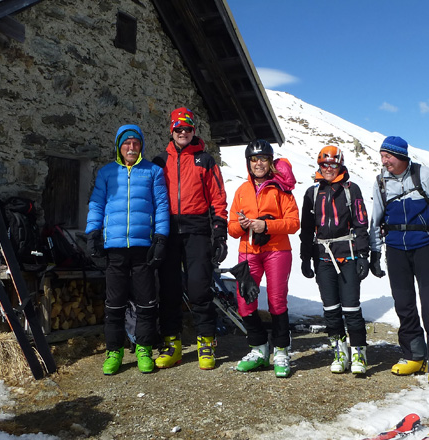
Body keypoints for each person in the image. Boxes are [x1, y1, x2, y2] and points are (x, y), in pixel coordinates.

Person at [85, 124, 170, 375]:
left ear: (141, 145)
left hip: (144, 248)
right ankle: (114, 351)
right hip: (114, 248)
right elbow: (97, 204)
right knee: (114, 304)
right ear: (119, 146)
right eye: (126, 143)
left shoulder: (153, 172)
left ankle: (144, 348)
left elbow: (162, 206)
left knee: (146, 303)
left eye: (135, 143)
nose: (131, 147)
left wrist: (161, 238)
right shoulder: (107, 172)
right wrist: (93, 234)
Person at [369, 136, 429, 385]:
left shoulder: (424, 175)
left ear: (401, 156)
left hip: (425, 247)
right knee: (404, 304)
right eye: (382, 156)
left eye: (389, 156)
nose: (384, 161)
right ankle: (414, 356)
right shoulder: (380, 182)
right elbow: (376, 219)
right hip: (395, 249)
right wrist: (375, 252)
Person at [152, 107, 228, 370]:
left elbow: (218, 198)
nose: (183, 132)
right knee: (169, 289)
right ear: (171, 131)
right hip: (168, 229)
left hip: (197, 229)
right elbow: (151, 197)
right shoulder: (160, 161)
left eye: (187, 129)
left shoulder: (205, 160)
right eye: (178, 128)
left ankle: (206, 342)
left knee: (199, 288)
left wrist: (220, 233)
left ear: (194, 131)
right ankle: (172, 344)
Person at [227, 139, 300, 378]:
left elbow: (293, 223)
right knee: (244, 301)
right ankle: (258, 349)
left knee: (277, 302)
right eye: (254, 159)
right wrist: (242, 225)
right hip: (248, 252)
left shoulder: (281, 189)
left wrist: (266, 225)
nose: (258, 164)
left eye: (263, 159)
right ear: (248, 163)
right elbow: (232, 228)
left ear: (270, 162)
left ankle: (281, 351)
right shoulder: (242, 190)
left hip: (277, 250)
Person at [299, 146, 371, 375]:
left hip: (348, 254)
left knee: (351, 307)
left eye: (333, 164)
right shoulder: (312, 193)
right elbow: (306, 229)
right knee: (330, 309)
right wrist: (305, 258)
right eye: (324, 164)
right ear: (319, 166)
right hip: (322, 256)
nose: (328, 169)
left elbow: (361, 224)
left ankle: (358, 352)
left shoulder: (351, 190)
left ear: (340, 165)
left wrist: (363, 255)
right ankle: (339, 352)